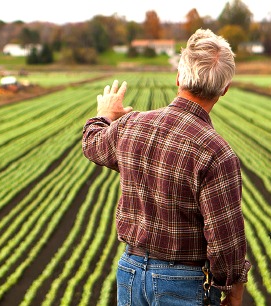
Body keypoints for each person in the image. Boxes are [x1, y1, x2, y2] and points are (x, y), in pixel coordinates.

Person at [82, 29, 250, 306]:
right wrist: (232, 287)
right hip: (184, 282)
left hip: (130, 271)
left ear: (179, 78)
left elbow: (92, 144)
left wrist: (105, 115)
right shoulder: (217, 152)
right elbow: (224, 235)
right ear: (225, 88)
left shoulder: (131, 125)